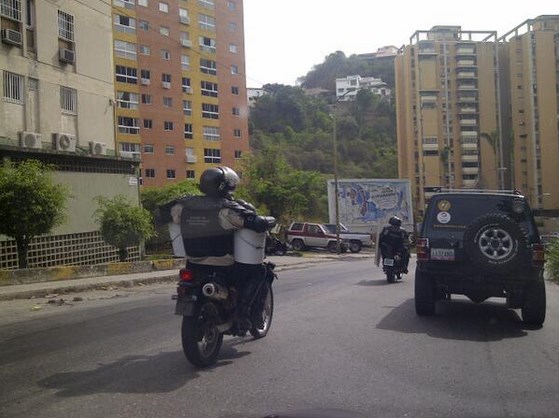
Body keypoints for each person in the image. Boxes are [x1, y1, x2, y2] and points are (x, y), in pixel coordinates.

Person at [158, 166, 275, 330]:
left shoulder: (182, 206)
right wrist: (268, 220)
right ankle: (242, 314)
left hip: (194, 262)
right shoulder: (227, 210)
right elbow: (255, 223)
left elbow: (160, 216)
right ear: (225, 186)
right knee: (258, 272)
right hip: (224, 264)